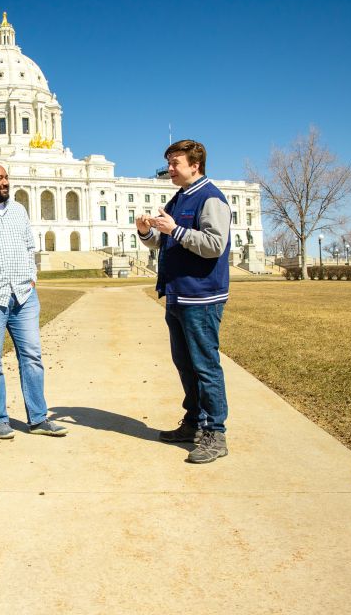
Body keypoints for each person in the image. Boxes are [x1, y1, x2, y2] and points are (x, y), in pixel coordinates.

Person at [136, 139, 232, 464]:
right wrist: (147, 233)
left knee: (205, 367)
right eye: (169, 162)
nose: (170, 169)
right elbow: (165, 242)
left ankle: (215, 434)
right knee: (185, 365)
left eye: (175, 163)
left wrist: (175, 230)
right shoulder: (179, 198)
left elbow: (214, 245)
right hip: (177, 295)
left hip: (202, 297)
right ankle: (193, 423)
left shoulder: (211, 198)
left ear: (195, 165)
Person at [0, 163, 67, 439]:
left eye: (6, 177)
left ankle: (38, 418)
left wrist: (32, 277)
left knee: (32, 356)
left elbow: (30, 245)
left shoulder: (19, 209)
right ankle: (0, 419)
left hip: (24, 294)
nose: (5, 182)